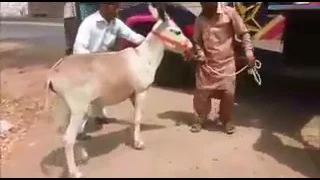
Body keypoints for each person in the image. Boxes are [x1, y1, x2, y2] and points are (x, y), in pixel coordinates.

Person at [73, 2, 145, 140]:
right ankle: (78, 130)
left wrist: (152, 42)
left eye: (118, 6)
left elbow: (133, 36)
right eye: (115, 6)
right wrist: (95, 62)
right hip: (88, 64)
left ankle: (100, 115)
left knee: (121, 86)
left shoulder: (116, 23)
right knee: (88, 96)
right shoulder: (89, 23)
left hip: (106, 64)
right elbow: (79, 48)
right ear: (104, 6)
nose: (117, 10)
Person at [189, 2, 256, 134]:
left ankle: (226, 120)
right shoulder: (200, 19)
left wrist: (249, 52)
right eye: (202, 5)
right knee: (202, 93)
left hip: (227, 62)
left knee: (228, 93)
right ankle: (200, 118)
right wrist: (200, 54)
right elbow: (197, 41)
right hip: (207, 64)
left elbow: (244, 34)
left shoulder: (229, 13)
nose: (204, 8)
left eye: (207, 5)